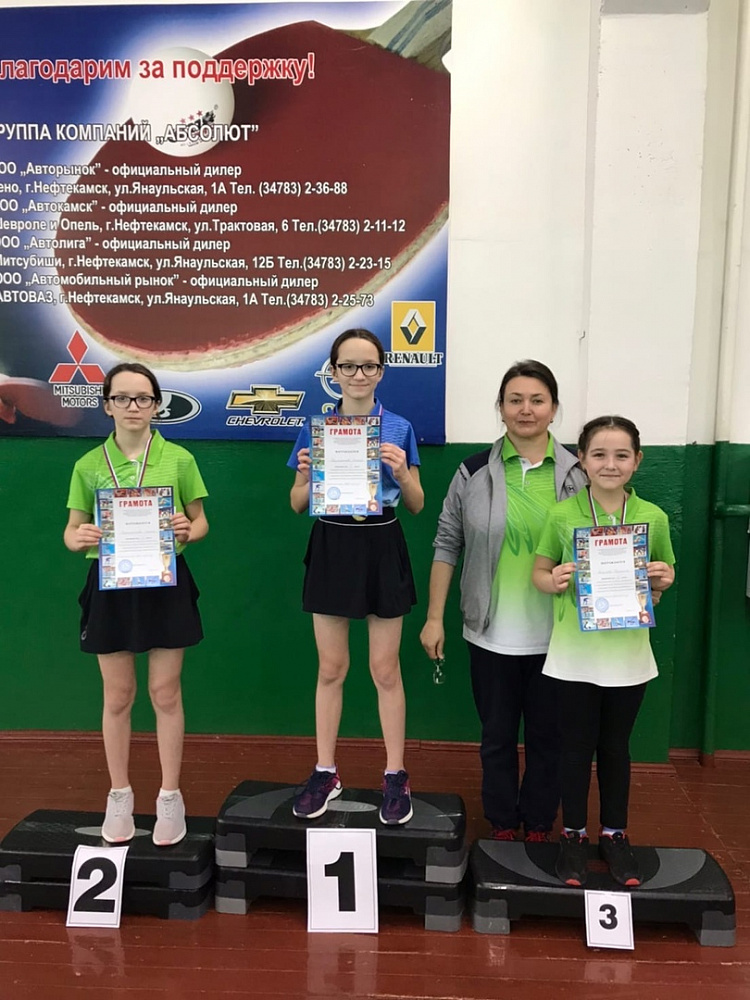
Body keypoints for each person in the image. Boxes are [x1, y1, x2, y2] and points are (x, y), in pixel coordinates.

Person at [420, 360, 586, 842]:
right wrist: (434, 618)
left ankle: (539, 824)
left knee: (548, 739)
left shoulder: (580, 473)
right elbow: (447, 543)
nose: (525, 409)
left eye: (537, 400)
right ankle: (502, 824)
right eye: (515, 400)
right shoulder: (472, 471)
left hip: (559, 636)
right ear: (500, 407)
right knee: (496, 738)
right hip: (490, 634)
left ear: (554, 408)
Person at [64, 363, 208, 847]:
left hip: (166, 585)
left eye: (143, 398)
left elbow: (200, 521)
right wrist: (78, 537)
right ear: (107, 405)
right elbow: (71, 531)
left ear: (156, 405)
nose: (132, 406)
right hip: (110, 586)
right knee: (118, 696)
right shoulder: (88, 465)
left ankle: (170, 797)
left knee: (165, 694)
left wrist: (190, 529)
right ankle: (120, 795)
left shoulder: (179, 460)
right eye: (122, 398)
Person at [532, 415, 675, 887]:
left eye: (621, 455)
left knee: (616, 748)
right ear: (582, 459)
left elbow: (664, 576)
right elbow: (539, 573)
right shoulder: (561, 515)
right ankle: (572, 836)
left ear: (637, 461)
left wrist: (664, 579)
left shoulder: (653, 516)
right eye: (599, 454)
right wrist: (553, 580)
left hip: (629, 656)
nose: (610, 464)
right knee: (575, 748)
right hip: (574, 655)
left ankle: (614, 835)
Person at [288, 329, 424, 824]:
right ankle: (325, 771)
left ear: (381, 372)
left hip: (382, 542)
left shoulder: (400, 428)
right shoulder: (317, 428)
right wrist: (306, 477)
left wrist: (402, 474)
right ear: (334, 372)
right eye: (348, 366)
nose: (359, 374)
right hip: (332, 543)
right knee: (331, 668)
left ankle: (395, 775)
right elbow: (296, 502)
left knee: (385, 669)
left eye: (368, 365)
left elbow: (416, 503)